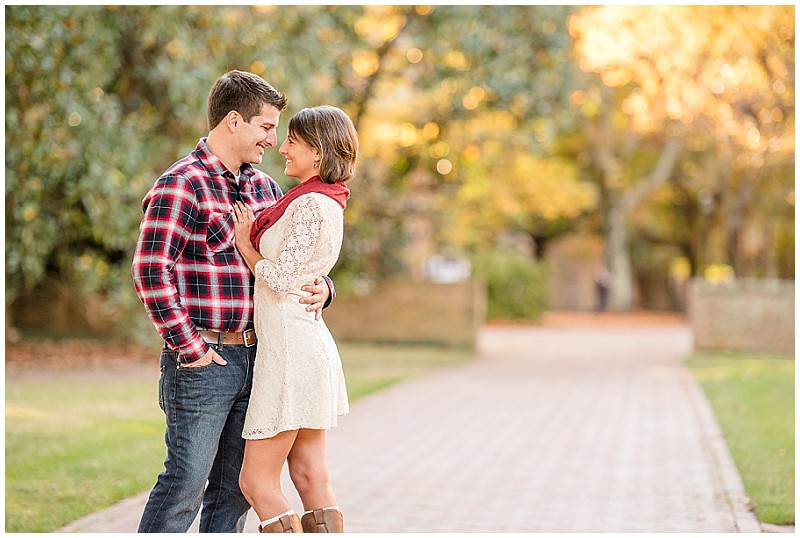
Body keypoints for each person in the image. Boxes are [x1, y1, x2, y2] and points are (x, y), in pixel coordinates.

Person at [131, 70, 334, 533]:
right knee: (185, 484)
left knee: (233, 491)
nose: (274, 139)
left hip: (263, 356)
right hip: (205, 360)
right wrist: (192, 349)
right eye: (267, 127)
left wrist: (325, 288)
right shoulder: (181, 183)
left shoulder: (266, 189)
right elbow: (149, 270)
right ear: (234, 122)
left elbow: (293, 258)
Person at [232, 105, 357, 533]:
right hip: (307, 343)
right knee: (309, 476)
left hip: (289, 351)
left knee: (256, 481)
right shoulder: (327, 201)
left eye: (293, 142)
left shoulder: (308, 204)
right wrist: (324, 285)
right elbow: (308, 272)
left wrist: (247, 246)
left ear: (318, 154)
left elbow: (283, 278)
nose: (282, 147)